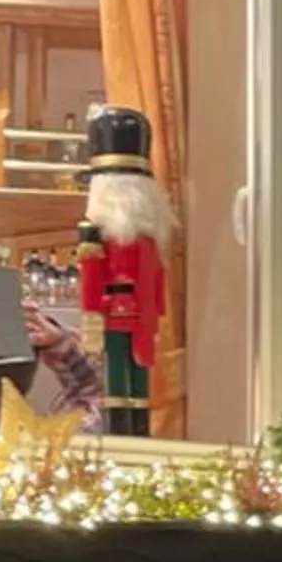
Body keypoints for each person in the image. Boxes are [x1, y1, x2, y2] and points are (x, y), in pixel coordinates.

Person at [78, 103, 173, 438]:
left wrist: (155, 310)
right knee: (120, 371)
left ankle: (137, 423)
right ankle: (122, 424)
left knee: (138, 370)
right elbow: (92, 276)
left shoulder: (148, 234)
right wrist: (92, 314)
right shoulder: (99, 231)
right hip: (118, 312)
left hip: (140, 313)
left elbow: (155, 276)